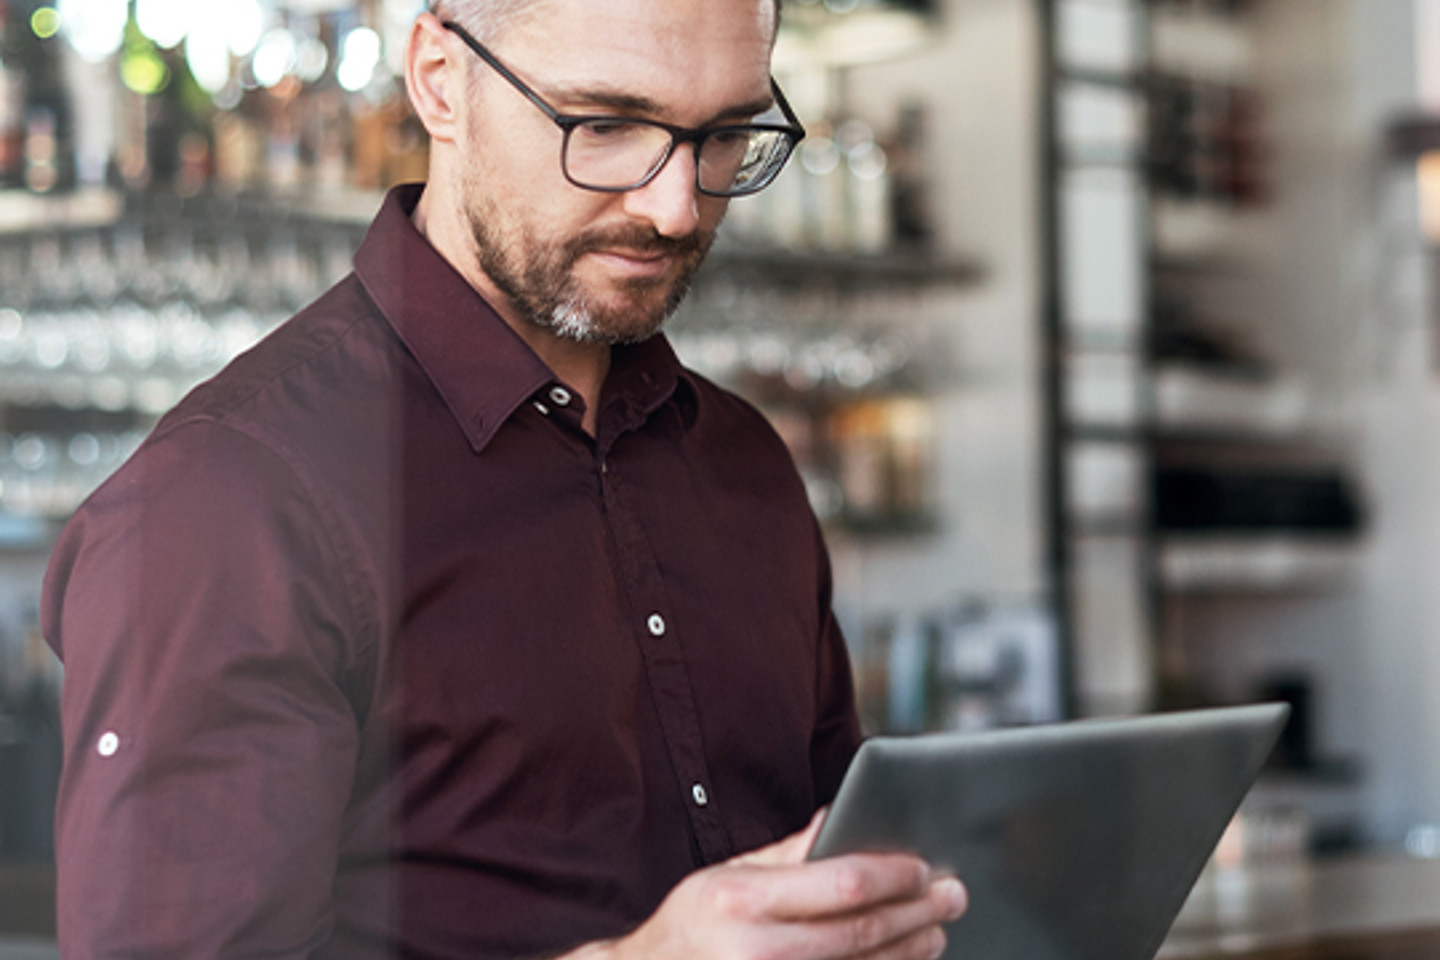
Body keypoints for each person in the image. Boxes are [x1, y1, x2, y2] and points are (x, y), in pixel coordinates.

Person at [41, 0, 969, 957]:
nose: (676, 207)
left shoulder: (743, 462)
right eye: (605, 128)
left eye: (726, 136)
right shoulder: (228, 500)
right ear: (442, 82)